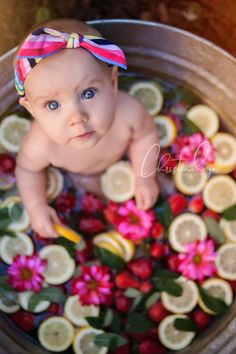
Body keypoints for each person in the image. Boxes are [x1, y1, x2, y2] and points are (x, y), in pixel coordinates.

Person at [14, 18, 160, 238]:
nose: (77, 117)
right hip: (78, 178)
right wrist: (36, 206)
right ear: (32, 110)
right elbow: (28, 169)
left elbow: (145, 136)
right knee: (96, 210)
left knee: (154, 191)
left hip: (124, 166)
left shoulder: (128, 112)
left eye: (88, 93)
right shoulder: (41, 145)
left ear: (112, 83)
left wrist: (144, 177)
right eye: (53, 105)